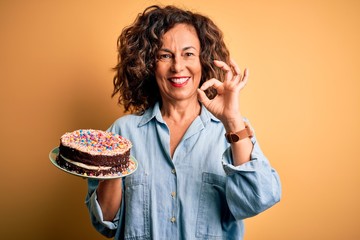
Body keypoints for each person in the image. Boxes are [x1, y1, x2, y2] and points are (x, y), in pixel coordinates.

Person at [86, 5, 281, 240]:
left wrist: (231, 120)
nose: (178, 66)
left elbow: (259, 199)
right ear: (149, 63)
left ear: (204, 61)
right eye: (165, 55)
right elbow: (105, 222)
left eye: (188, 54)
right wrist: (117, 162)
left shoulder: (232, 130)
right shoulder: (122, 133)